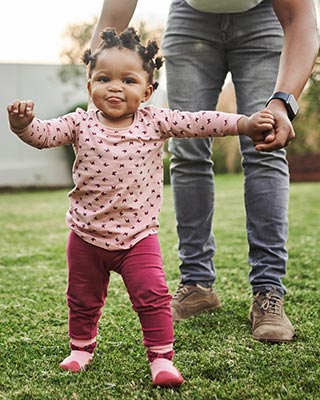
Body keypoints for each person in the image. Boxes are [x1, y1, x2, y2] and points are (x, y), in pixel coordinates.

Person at [7, 28, 275, 386]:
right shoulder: (79, 122)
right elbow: (44, 135)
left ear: (147, 92)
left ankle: (162, 359)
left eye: (128, 80)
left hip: (137, 239)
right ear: (90, 87)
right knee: (81, 298)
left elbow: (201, 121)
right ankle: (81, 348)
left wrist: (243, 123)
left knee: (153, 296)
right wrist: (23, 125)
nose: (115, 87)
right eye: (104, 78)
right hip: (86, 237)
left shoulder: (155, 121)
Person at [91, 0, 319, 343]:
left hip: (264, 18)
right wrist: (95, 84)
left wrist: (283, 102)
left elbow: (300, 17)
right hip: (190, 19)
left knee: (265, 145)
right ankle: (197, 285)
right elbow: (113, 17)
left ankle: (268, 291)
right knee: (187, 150)